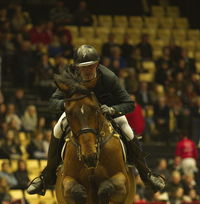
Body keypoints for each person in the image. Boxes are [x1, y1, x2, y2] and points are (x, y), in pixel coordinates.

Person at [27, 44, 165, 195]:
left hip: (107, 111)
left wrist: (113, 110)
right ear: (77, 67)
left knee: (127, 129)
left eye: (91, 66)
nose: (87, 71)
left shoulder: (108, 77)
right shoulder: (71, 77)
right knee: (57, 129)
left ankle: (146, 175)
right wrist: (67, 105)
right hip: (79, 114)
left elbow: (129, 103)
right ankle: (45, 177)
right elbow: (53, 102)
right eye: (83, 67)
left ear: (97, 64)